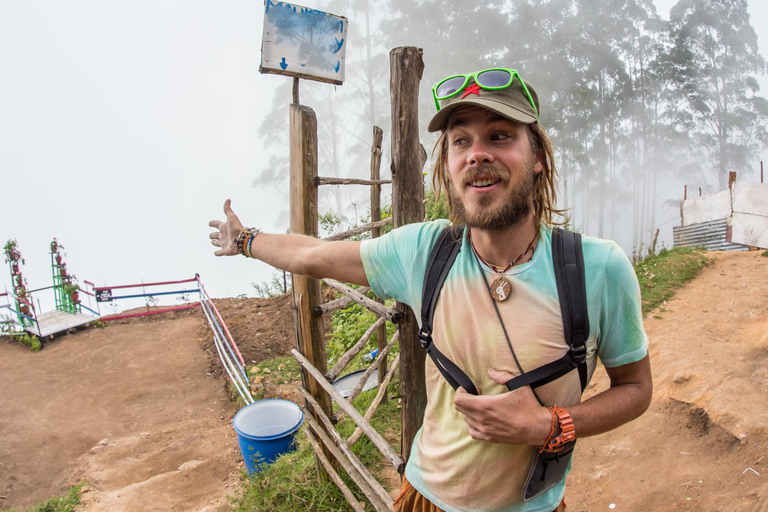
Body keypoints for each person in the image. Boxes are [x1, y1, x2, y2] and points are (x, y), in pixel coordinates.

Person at [209, 66, 652, 512]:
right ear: (447, 164)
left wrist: (548, 425)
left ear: (537, 155)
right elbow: (313, 256)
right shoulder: (424, 251)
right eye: (461, 141)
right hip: (425, 499)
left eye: (499, 136)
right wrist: (246, 240)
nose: (477, 154)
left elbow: (635, 388)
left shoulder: (595, 269)